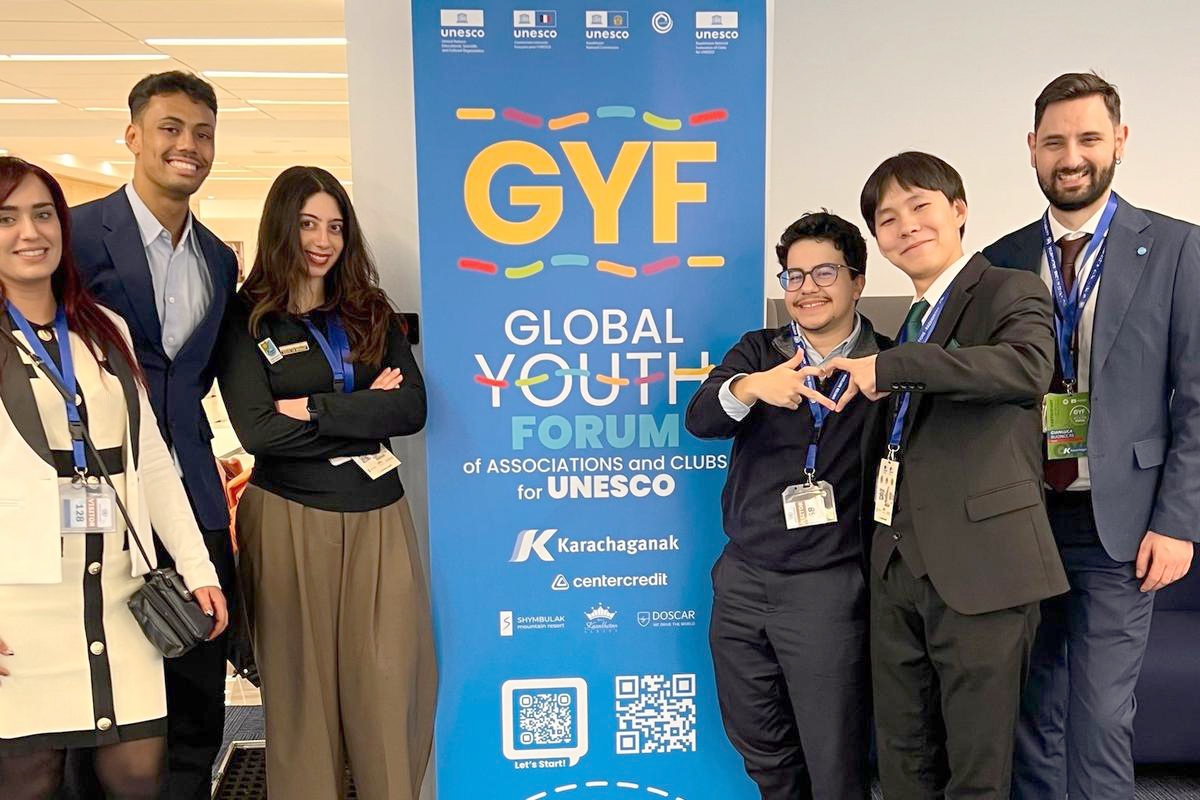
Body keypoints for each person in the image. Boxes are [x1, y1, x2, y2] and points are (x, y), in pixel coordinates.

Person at [982, 72, 1200, 800]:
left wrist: (1179, 523)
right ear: (1031, 148)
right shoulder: (1001, 258)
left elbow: (1197, 400)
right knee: (1029, 708)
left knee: (1102, 715)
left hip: (1123, 523)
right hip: (1023, 516)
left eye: (1088, 139)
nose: (1070, 157)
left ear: (1120, 141)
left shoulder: (1178, 248)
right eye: (1054, 142)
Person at [823, 151, 1068, 799]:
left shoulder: (1010, 289)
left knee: (976, 770)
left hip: (984, 568)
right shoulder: (907, 321)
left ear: (959, 211)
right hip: (897, 566)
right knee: (903, 759)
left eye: (920, 206)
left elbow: (1025, 369)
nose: (905, 226)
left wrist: (894, 367)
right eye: (887, 219)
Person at [0, 157, 228, 799]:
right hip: (23, 602)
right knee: (29, 780)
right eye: (7, 218)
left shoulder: (105, 330)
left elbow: (151, 461)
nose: (30, 232)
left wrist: (199, 569)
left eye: (43, 214)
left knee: (138, 775)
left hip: (123, 595)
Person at [216, 166, 436, 800]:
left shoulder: (369, 311)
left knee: (389, 687)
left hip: (378, 515)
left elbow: (411, 409)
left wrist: (311, 408)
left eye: (336, 227)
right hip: (289, 517)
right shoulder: (246, 320)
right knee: (301, 700)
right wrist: (365, 410)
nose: (323, 240)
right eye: (308, 224)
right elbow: (259, 432)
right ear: (281, 227)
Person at [68, 71, 238, 799]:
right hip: (97, 499)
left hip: (194, 493)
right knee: (98, 703)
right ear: (133, 135)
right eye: (170, 128)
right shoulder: (73, 235)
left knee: (196, 691)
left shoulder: (219, 260)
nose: (187, 145)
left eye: (203, 133)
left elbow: (197, 376)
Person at [685, 211, 890, 799]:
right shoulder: (760, 350)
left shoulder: (886, 364)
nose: (807, 289)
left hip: (828, 586)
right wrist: (752, 387)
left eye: (824, 272)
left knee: (835, 757)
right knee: (761, 744)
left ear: (857, 280)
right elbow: (701, 419)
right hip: (744, 577)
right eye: (793, 276)